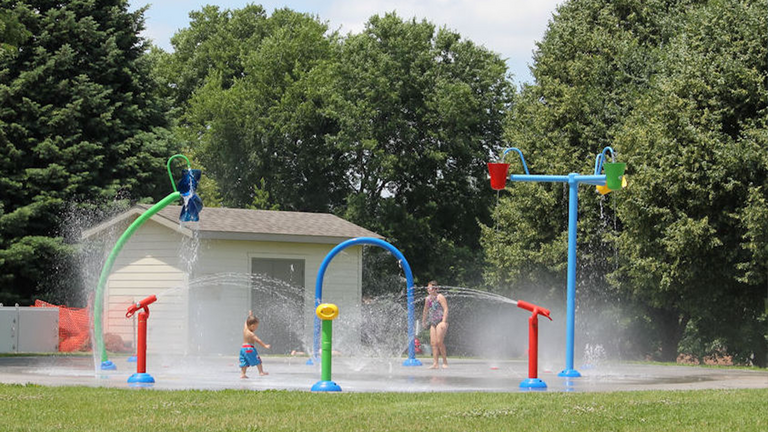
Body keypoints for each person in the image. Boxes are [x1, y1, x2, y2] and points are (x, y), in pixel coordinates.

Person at [421, 280, 449, 369]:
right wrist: (423, 321)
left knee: (439, 342)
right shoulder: (428, 299)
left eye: (431, 288)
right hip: (433, 322)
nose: (429, 290)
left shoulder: (440, 297)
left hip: (441, 321)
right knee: (433, 343)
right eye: (428, 288)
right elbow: (425, 310)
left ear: (435, 289)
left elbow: (446, 309)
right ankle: (435, 364)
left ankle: (445, 362)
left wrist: (444, 321)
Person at [240, 310, 271, 378]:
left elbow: (246, 322)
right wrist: (265, 345)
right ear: (252, 326)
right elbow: (258, 340)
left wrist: (250, 316)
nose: (256, 328)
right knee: (258, 360)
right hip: (249, 348)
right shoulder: (251, 334)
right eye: (256, 327)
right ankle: (261, 372)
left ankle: (242, 374)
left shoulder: (245, 329)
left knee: (244, 362)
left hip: (243, 349)